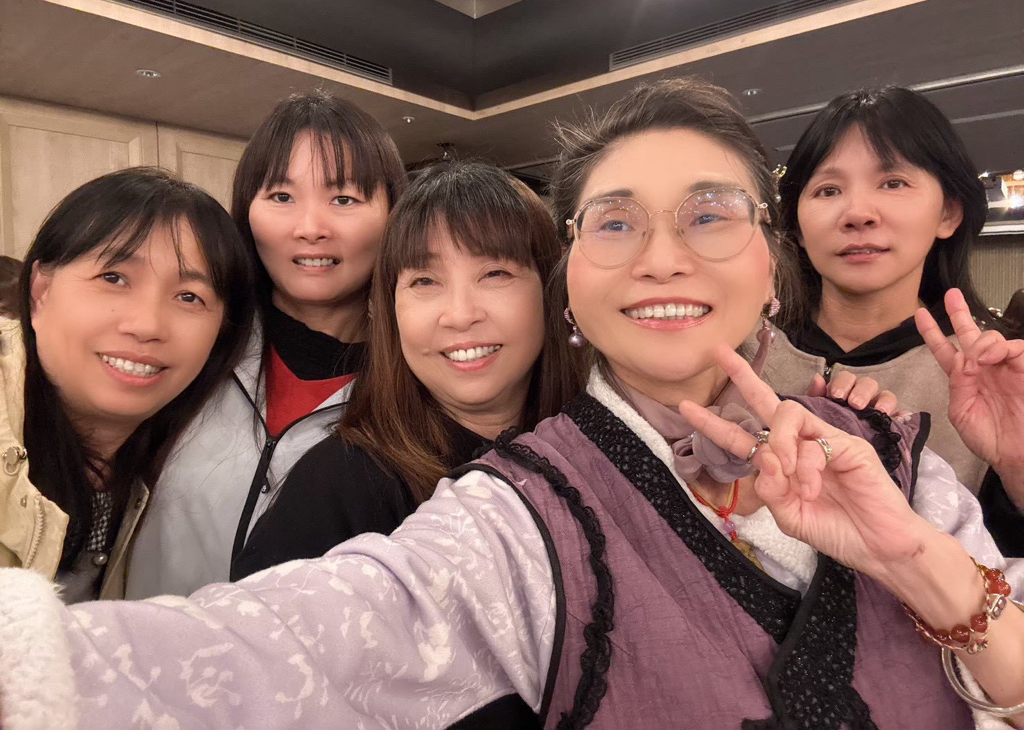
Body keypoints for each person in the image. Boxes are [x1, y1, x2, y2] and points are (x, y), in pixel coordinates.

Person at [3, 79, 1024, 730]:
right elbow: (272, 649)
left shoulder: (884, 453)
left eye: (710, 215)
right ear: (571, 280)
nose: (662, 256)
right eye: (614, 222)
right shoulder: (521, 511)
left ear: (770, 261)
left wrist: (919, 564)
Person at [232, 161, 583, 581]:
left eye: (495, 274)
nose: (460, 315)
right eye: (425, 282)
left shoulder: (598, 449)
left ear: (551, 290)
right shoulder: (338, 485)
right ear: (389, 310)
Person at [123, 90, 408, 598]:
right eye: (281, 196)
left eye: (344, 199)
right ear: (247, 211)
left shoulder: (418, 387)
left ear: (393, 216)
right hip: (140, 644)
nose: (310, 228)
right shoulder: (192, 350)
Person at [768, 87, 1024, 554]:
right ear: (798, 229)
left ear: (948, 213)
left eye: (893, 183)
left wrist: (1016, 466)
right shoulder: (749, 351)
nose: (858, 214)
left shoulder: (992, 371)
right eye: (828, 190)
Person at [0, 167, 253, 602]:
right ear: (41, 291)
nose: (147, 325)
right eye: (114, 278)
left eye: (189, 297)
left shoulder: (187, 460)